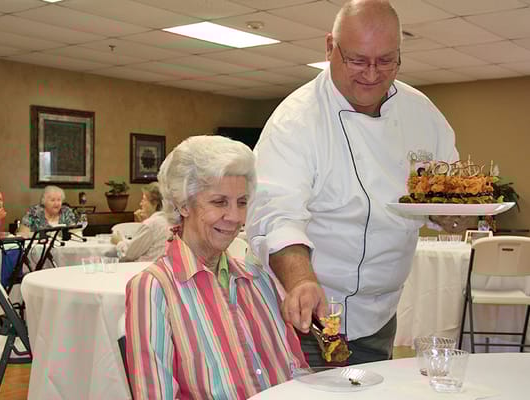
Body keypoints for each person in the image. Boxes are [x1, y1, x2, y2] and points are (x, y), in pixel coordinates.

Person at [246, 0, 470, 367]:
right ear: (330, 47)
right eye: (358, 60)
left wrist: (451, 216)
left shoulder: (421, 113)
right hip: (307, 317)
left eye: (386, 61)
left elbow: (442, 191)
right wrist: (302, 281)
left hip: (381, 313)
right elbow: (276, 216)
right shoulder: (296, 120)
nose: (372, 73)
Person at [125, 135, 307, 399]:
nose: (235, 217)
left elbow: (296, 371)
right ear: (183, 204)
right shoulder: (154, 288)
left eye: (242, 202)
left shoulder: (258, 278)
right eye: (219, 202)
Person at [111, 182, 171, 262]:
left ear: (155, 203)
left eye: (144, 200)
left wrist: (118, 242)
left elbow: (128, 254)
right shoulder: (168, 220)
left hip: (143, 269)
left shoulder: (151, 223)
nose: (140, 204)